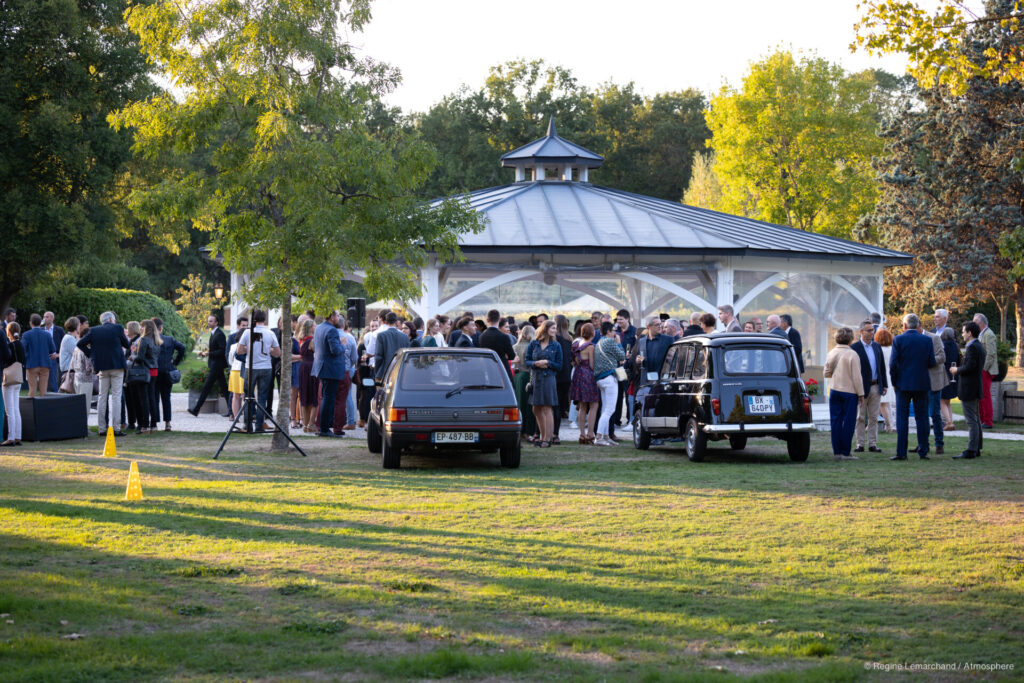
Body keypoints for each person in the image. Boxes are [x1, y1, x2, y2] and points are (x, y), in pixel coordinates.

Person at [889, 313, 937, 460]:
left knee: (902, 418)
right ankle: (923, 450)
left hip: (903, 384)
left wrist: (894, 382)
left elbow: (893, 364)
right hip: (921, 383)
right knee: (922, 418)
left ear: (904, 325)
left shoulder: (898, 339)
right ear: (918, 325)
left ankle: (901, 452)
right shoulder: (927, 340)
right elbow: (932, 362)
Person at [77, 311, 131, 436]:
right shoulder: (117, 328)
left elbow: (80, 343)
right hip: (117, 366)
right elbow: (126, 344)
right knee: (117, 396)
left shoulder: (94, 330)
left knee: (102, 396)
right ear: (111, 319)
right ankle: (116, 428)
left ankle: (102, 428)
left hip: (101, 366)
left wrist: (91, 353)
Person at [236, 310, 281, 433]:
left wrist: (249, 348)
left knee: (248, 396)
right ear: (264, 319)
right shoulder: (270, 333)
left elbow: (239, 351)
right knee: (262, 397)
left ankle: (247, 424)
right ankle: (259, 425)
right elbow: (278, 353)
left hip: (251, 367)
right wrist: (268, 349)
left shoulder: (247, 332)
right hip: (266, 367)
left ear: (253, 320)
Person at [824, 327, 864, 459]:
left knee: (835, 421)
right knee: (848, 422)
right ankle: (846, 452)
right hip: (849, 391)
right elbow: (857, 377)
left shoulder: (831, 352)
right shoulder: (853, 354)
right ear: (851, 339)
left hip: (834, 389)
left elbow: (826, 373)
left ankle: (837, 452)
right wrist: (861, 394)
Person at [850, 320, 887, 454]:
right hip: (860, 388)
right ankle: (860, 443)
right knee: (859, 417)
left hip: (876, 386)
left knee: (873, 417)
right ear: (861, 331)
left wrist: (885, 385)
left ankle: (872, 443)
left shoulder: (877, 346)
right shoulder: (854, 348)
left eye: (873, 330)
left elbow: (881, 366)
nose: (872, 332)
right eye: (869, 330)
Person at [525, 320, 562, 448]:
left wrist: (548, 362)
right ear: (545, 329)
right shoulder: (534, 343)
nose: (555, 331)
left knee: (547, 408)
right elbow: (527, 360)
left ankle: (547, 439)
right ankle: (542, 436)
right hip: (536, 378)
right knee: (536, 408)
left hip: (549, 378)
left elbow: (560, 365)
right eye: (553, 328)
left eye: (555, 328)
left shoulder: (556, 345)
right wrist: (535, 363)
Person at [952, 321, 985, 459]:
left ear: (970, 333)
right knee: (975, 419)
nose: (962, 334)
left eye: (964, 331)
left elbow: (970, 367)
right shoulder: (979, 346)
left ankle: (971, 449)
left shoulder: (973, 347)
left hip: (969, 388)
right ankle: (976, 447)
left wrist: (956, 370)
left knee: (971, 420)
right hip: (975, 387)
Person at [312, 310, 346, 437]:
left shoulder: (319, 328)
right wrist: (343, 345)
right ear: (331, 317)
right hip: (331, 369)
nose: (339, 318)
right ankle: (325, 429)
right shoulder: (331, 330)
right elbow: (335, 350)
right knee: (328, 398)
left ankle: (323, 427)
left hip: (322, 367)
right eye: (337, 315)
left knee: (326, 397)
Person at [593, 322, 626, 446]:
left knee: (605, 409)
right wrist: (619, 343)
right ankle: (599, 437)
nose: (615, 333)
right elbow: (622, 356)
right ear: (608, 332)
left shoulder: (599, 342)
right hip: (609, 378)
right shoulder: (610, 342)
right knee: (609, 409)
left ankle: (605, 436)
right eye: (613, 330)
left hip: (600, 379)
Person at [569, 323, 600, 444]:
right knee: (594, 405)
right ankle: (590, 434)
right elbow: (592, 365)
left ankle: (581, 435)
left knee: (581, 406)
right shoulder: (591, 346)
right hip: (588, 376)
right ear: (593, 333)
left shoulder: (576, 344)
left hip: (578, 374)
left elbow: (574, 360)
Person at [153, 318, 185, 431]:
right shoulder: (169, 339)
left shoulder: (149, 340)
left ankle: (155, 423)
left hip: (155, 371)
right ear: (161, 328)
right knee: (166, 398)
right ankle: (168, 423)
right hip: (167, 371)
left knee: (155, 398)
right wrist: (175, 362)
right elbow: (182, 347)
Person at [130, 319, 162, 435]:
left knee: (144, 399)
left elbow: (140, 358)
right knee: (152, 398)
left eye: (142, 326)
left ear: (146, 328)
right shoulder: (156, 340)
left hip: (145, 371)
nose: (140, 328)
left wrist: (132, 356)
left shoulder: (143, 340)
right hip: (154, 371)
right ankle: (153, 425)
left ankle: (144, 425)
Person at [512, 325, 538, 442]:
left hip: (517, 377)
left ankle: (519, 430)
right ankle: (529, 431)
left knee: (518, 404)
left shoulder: (514, 347)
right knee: (528, 405)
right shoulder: (532, 347)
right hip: (527, 376)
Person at [924, 325, 948, 454]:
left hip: (934, 380)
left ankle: (939, 443)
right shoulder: (911, 338)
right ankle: (922, 443)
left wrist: (929, 361)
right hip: (920, 382)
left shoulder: (934, 338)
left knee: (935, 413)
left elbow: (942, 357)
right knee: (921, 415)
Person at [2, 323, 26, 446]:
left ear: (8, 332)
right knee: (16, 409)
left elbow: (7, 359)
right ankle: (18, 436)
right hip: (19, 378)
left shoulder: (10, 346)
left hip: (9, 379)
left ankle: (10, 437)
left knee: (9, 410)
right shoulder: (21, 344)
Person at [23, 313, 57, 397]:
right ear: (40, 323)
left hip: (31, 364)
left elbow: (22, 348)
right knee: (43, 390)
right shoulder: (47, 334)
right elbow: (53, 349)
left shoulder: (26, 335)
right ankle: (43, 408)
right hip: (45, 364)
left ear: (31, 323)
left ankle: (31, 409)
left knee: (32, 389)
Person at [974, 313, 997, 428]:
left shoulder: (989, 334)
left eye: (975, 322)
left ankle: (988, 421)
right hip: (980, 369)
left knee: (985, 396)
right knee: (981, 395)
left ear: (981, 323)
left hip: (986, 370)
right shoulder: (981, 334)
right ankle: (982, 419)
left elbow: (991, 354)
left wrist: (984, 368)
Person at [295, 319, 318, 431]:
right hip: (311, 368)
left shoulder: (301, 340)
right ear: (310, 328)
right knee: (314, 396)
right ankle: (311, 424)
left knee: (304, 395)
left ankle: (305, 425)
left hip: (303, 367)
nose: (316, 327)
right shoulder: (312, 341)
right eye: (314, 325)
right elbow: (318, 353)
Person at [478, 309, 515, 379]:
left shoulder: (481, 336)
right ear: (499, 319)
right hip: (502, 368)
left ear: (487, 320)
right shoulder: (504, 336)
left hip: (488, 368)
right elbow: (512, 356)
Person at [374, 311, 410, 381]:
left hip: (385, 372)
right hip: (401, 372)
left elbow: (378, 357)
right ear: (396, 322)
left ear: (386, 322)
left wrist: (377, 372)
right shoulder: (405, 337)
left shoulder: (381, 335)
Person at [875, 328, 896, 433]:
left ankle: (889, 426)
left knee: (883, 403)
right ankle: (876, 423)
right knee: (884, 403)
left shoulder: (879, 350)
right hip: (891, 377)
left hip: (883, 378)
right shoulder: (893, 349)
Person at [939, 327, 960, 431]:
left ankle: (948, 422)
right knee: (948, 401)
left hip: (944, 374)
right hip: (954, 374)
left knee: (941, 400)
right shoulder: (956, 346)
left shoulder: (943, 345)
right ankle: (950, 420)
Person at [70, 321, 94, 407]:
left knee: (79, 405)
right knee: (86, 405)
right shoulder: (87, 349)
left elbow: (72, 364)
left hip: (77, 377)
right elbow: (89, 367)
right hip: (86, 379)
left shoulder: (76, 348)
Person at [42, 311, 64, 393]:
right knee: (43, 381)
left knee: (53, 380)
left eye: (47, 317)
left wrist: (58, 355)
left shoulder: (59, 330)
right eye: (44, 317)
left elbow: (64, 344)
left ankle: (55, 396)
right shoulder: (41, 330)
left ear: (52, 318)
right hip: (43, 358)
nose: (45, 318)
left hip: (54, 358)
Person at [58, 317, 80, 391]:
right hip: (69, 372)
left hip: (70, 371)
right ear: (76, 326)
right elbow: (78, 353)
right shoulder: (69, 339)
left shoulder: (71, 338)